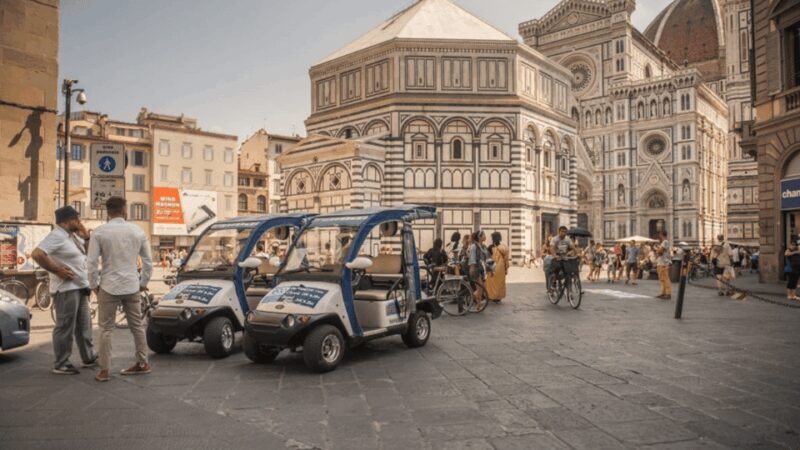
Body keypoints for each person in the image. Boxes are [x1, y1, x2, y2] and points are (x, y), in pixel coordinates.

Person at [87, 197, 153, 382]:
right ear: (124, 210)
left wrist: (93, 285)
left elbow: (91, 262)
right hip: (132, 285)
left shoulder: (99, 232)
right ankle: (142, 363)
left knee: (106, 329)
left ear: (108, 212)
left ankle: (104, 370)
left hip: (108, 285)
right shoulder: (137, 231)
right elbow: (148, 262)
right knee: (137, 327)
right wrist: (143, 282)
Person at [31, 206, 97, 375]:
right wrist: (57, 270)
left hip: (80, 287)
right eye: (77, 219)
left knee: (84, 326)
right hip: (66, 290)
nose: (80, 222)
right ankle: (61, 363)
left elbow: (87, 254)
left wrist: (86, 236)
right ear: (68, 220)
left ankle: (88, 357)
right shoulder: (57, 235)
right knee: (65, 326)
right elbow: (38, 254)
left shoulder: (71, 236)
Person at [549, 226, 578, 292]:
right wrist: (554, 255)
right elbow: (552, 248)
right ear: (559, 232)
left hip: (564, 256)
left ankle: (569, 290)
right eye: (562, 231)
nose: (564, 233)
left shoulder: (567, 239)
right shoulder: (555, 239)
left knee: (569, 271)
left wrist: (577, 253)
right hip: (557, 257)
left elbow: (572, 246)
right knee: (557, 268)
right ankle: (554, 283)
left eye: (565, 232)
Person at [485, 232, 509, 303]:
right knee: (500, 283)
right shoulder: (504, 247)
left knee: (491, 282)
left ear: (492, 239)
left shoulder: (490, 247)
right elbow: (506, 260)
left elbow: (488, 258)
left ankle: (492, 296)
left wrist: (488, 269)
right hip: (501, 268)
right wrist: (506, 268)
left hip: (493, 266)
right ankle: (498, 297)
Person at [467, 230, 488, 305]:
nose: (485, 236)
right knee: (480, 287)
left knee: (480, 287)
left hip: (480, 269)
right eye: (484, 235)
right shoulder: (474, 246)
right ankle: (472, 297)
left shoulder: (481, 246)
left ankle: (478, 304)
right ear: (480, 237)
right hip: (475, 268)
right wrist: (472, 269)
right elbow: (472, 258)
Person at [655, 230, 672, 300]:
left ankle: (668, 293)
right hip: (660, 262)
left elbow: (660, 251)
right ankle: (663, 293)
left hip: (664, 263)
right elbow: (660, 251)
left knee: (665, 278)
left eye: (660, 234)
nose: (659, 236)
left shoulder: (665, 242)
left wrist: (658, 250)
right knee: (662, 279)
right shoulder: (663, 242)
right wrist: (658, 250)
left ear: (662, 234)